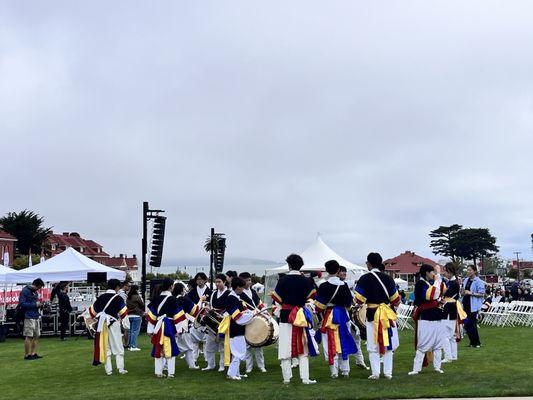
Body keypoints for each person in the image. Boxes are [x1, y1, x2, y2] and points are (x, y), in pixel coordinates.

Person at [271, 254, 318, 385]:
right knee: (303, 347)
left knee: (285, 347)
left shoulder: (283, 280)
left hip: (286, 316)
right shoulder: (306, 281)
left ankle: (286, 378)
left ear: (289, 265)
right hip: (301, 316)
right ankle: (305, 378)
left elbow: (277, 299)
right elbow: (311, 297)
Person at [354, 253, 400, 380]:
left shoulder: (364, 278)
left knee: (373, 343)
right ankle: (388, 372)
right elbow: (395, 299)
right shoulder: (388, 278)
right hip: (386, 314)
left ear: (369, 263)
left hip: (372, 314)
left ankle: (375, 373)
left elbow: (358, 300)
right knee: (388, 343)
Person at [315, 260, 357, 378]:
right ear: (338, 270)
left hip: (329, 316)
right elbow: (349, 304)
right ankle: (345, 370)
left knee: (330, 342)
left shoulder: (323, 286)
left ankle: (334, 371)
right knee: (344, 339)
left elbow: (319, 306)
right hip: (343, 315)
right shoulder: (344, 286)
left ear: (326, 270)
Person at [408, 264, 446, 375]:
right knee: (423, 342)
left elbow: (438, 293)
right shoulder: (421, 284)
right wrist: (438, 277)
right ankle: (416, 368)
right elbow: (431, 295)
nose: (433, 274)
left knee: (438, 343)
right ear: (427, 273)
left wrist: (437, 302)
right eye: (432, 272)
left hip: (434, 314)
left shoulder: (426, 283)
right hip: (425, 315)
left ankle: (437, 367)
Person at [88, 279, 130, 375]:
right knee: (118, 345)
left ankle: (108, 370)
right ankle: (120, 368)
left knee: (105, 346)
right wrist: (126, 326)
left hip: (101, 324)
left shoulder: (101, 297)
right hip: (114, 324)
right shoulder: (118, 298)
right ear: (117, 287)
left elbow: (92, 312)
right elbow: (124, 313)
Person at [146, 278, 185, 378]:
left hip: (158, 327)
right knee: (170, 348)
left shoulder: (155, 299)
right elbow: (178, 316)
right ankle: (170, 372)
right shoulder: (173, 299)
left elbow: (151, 317)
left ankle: (158, 372)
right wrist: (178, 330)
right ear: (172, 286)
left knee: (158, 348)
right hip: (169, 326)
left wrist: (150, 330)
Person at [337, 265, 369, 370]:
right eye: (342, 272)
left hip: (350, 316)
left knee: (356, 339)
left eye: (345, 272)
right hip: (341, 316)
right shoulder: (339, 286)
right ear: (337, 272)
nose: (344, 273)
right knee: (340, 340)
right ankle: (340, 365)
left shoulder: (346, 285)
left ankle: (360, 361)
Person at [224, 277, 255, 380]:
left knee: (238, 351)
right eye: (242, 287)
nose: (243, 289)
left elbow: (243, 311)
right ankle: (232, 374)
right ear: (237, 287)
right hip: (236, 328)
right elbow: (237, 317)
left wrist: (252, 313)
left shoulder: (236, 297)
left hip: (238, 328)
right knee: (239, 351)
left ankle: (236, 373)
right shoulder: (231, 298)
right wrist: (252, 315)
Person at [238, 271, 267, 374]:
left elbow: (259, 303)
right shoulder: (239, 294)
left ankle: (261, 366)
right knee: (248, 346)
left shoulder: (253, 292)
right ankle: (248, 367)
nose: (248, 282)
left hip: (256, 320)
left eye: (249, 280)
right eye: (245, 281)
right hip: (246, 321)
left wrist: (265, 312)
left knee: (259, 344)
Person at [172, 282, 202, 369]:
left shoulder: (171, 299)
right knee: (187, 346)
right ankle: (191, 365)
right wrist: (201, 300)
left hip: (171, 325)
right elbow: (195, 310)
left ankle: (192, 365)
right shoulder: (184, 299)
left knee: (186, 346)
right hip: (182, 325)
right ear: (181, 290)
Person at [441, 263, 466, 363]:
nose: (445, 273)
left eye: (446, 271)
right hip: (451, 309)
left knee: (445, 335)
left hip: (449, 309)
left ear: (450, 272)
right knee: (451, 335)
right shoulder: (452, 282)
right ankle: (453, 355)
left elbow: (446, 294)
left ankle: (448, 356)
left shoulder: (454, 283)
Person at [204, 274, 230, 372]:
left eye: (219, 281)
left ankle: (222, 365)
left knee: (222, 346)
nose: (217, 284)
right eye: (216, 282)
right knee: (209, 345)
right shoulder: (213, 294)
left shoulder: (229, 293)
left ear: (224, 282)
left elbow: (230, 308)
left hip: (224, 321)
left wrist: (223, 315)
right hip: (212, 322)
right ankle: (210, 365)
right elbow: (210, 306)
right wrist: (208, 309)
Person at [19, 278, 45, 360]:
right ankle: (27, 355)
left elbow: (35, 303)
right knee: (29, 336)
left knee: (37, 336)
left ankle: (33, 353)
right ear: (34, 284)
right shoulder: (25, 291)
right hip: (28, 316)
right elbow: (22, 304)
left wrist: (40, 305)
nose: (38, 289)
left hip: (36, 316)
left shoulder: (35, 292)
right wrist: (35, 305)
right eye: (38, 287)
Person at [461, 264, 485, 348]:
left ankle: (476, 342)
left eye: (470, 270)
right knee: (471, 325)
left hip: (473, 305)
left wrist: (471, 293)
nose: (468, 271)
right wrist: (463, 292)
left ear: (474, 271)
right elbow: (464, 291)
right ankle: (473, 342)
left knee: (469, 323)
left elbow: (482, 294)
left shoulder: (478, 281)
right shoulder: (466, 280)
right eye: (467, 270)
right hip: (465, 304)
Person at [126, 285, 144, 351]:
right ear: (136, 290)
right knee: (135, 332)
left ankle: (130, 345)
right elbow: (142, 304)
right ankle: (133, 346)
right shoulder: (137, 297)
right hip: (136, 315)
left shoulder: (128, 297)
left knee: (131, 331)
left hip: (129, 315)